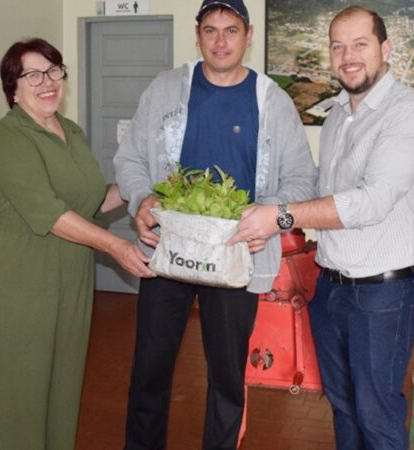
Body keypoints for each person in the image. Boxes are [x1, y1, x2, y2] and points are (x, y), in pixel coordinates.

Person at [229, 5, 414, 449]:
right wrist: (259, 204)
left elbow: (370, 202)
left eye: (360, 44)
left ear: (386, 49)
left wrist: (281, 216)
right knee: (344, 407)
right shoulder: (339, 116)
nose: (348, 56)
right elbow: (320, 190)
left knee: (377, 414)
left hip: (384, 295)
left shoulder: (409, 115)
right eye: (337, 46)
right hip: (331, 290)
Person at [114, 0, 318, 447]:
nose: (220, 41)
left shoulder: (272, 102)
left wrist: (269, 214)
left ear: (248, 35)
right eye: (211, 30)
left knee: (227, 377)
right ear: (198, 35)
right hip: (170, 248)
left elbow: (303, 177)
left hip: (236, 252)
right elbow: (129, 157)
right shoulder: (166, 89)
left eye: (231, 30)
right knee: (149, 369)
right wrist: (143, 197)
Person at [0, 38, 154, 450]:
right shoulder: (8, 138)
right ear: (13, 87)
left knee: (64, 393)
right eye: (33, 74)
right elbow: (51, 213)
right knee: (23, 401)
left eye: (54, 70)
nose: (48, 82)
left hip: (71, 278)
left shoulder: (71, 131)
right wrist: (116, 246)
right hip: (21, 282)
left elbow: (91, 202)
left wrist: (143, 190)